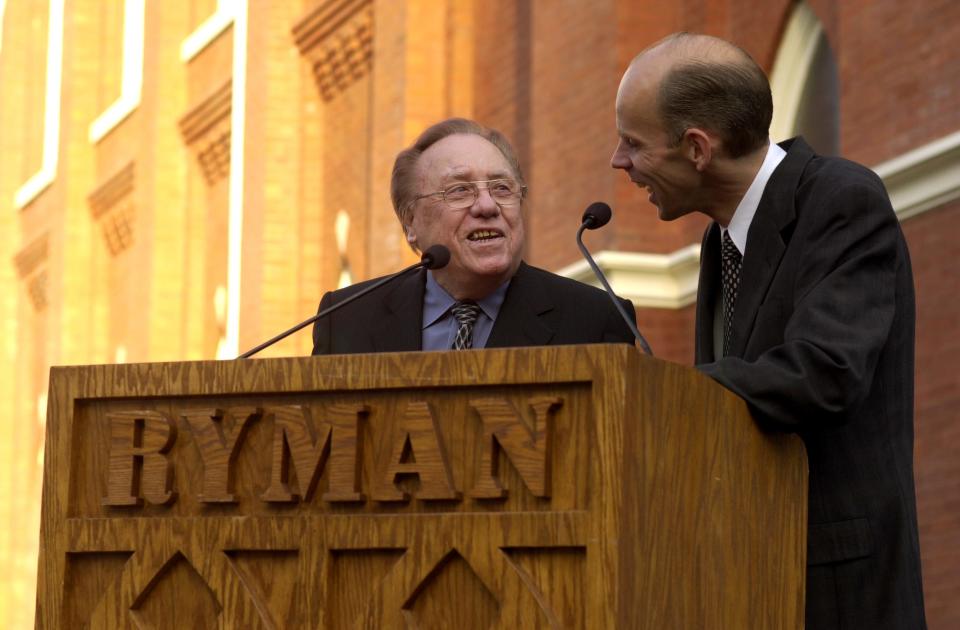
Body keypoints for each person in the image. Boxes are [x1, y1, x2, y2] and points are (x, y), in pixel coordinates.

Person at [611, 33, 926, 629]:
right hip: (750, 574)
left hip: (836, 588)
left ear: (698, 148)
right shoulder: (719, 238)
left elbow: (825, 374)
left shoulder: (841, 199)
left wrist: (662, 397)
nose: (618, 162)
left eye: (632, 142)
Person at [312, 117, 636, 355]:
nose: (487, 205)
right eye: (460, 190)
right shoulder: (344, 320)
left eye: (501, 188)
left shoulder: (595, 319)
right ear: (410, 223)